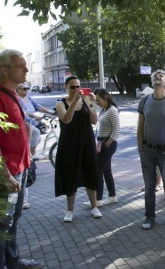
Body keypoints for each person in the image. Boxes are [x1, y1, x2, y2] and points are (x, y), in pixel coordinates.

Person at [0, 49, 43, 269]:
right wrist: (4, 173)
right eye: (20, 66)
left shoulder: (13, 94)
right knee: (1, 222)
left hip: (20, 168)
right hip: (7, 172)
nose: (26, 70)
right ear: (4, 69)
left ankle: (12, 261)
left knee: (12, 217)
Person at [137, 69, 165, 229]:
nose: (158, 77)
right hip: (147, 151)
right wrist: (140, 148)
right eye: (155, 75)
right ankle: (149, 217)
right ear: (152, 81)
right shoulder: (145, 100)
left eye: (161, 75)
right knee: (149, 187)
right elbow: (140, 126)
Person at [55, 75, 101, 222]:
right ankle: (69, 211)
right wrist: (74, 101)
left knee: (90, 172)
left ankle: (94, 207)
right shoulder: (60, 104)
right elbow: (66, 120)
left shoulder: (87, 100)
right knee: (71, 175)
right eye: (73, 87)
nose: (76, 89)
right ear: (66, 88)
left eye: (78, 86)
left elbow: (94, 121)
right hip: (69, 144)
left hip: (87, 141)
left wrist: (92, 104)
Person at [94, 88, 121, 206]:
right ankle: (112, 196)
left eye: (98, 100)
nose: (97, 103)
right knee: (106, 171)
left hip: (107, 143)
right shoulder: (104, 110)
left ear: (105, 98)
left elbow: (117, 129)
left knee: (98, 171)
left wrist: (108, 143)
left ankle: (98, 199)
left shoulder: (112, 110)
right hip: (102, 143)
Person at [15, 83, 53, 159]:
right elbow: (23, 112)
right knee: (36, 132)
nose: (26, 90)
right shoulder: (17, 99)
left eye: (27, 89)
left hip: (33, 120)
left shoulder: (28, 98)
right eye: (24, 89)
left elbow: (37, 106)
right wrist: (34, 116)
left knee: (37, 138)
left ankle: (30, 153)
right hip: (24, 121)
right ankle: (30, 153)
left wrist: (50, 112)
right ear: (18, 90)